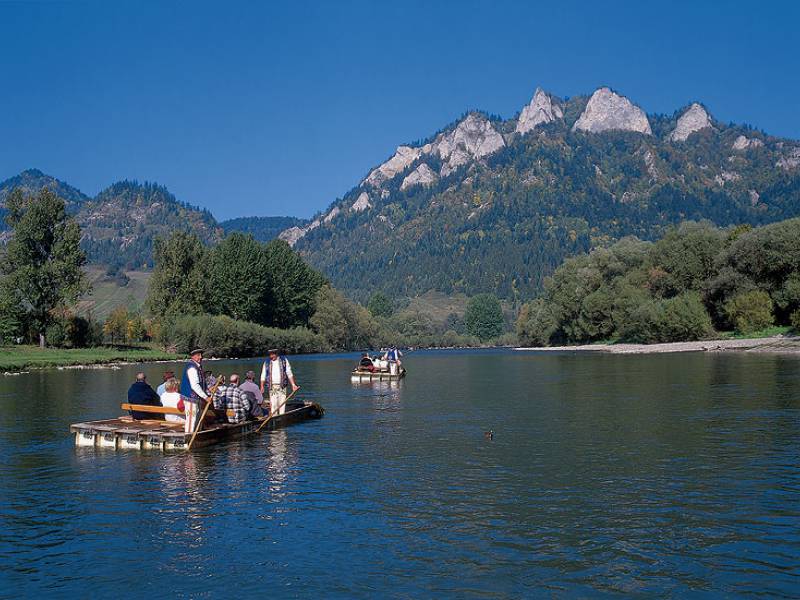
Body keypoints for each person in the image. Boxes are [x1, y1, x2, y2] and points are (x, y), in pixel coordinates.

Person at [260, 348, 299, 417]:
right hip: (272, 387)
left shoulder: (284, 360)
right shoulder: (267, 362)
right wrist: (262, 386)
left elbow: (289, 373)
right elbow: (263, 375)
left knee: (282, 404)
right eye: (270, 355)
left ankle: (281, 417)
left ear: (276, 354)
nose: (271, 356)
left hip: (282, 386)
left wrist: (293, 384)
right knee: (273, 405)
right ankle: (274, 418)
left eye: (272, 355)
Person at [180, 348, 211, 432]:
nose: (201, 357)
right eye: (198, 355)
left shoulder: (198, 367)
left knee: (196, 418)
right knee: (191, 419)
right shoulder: (192, 368)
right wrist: (205, 397)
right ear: (193, 356)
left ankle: (196, 435)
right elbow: (194, 385)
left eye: (201, 355)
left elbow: (201, 383)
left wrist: (207, 392)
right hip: (190, 398)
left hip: (195, 398)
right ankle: (188, 437)